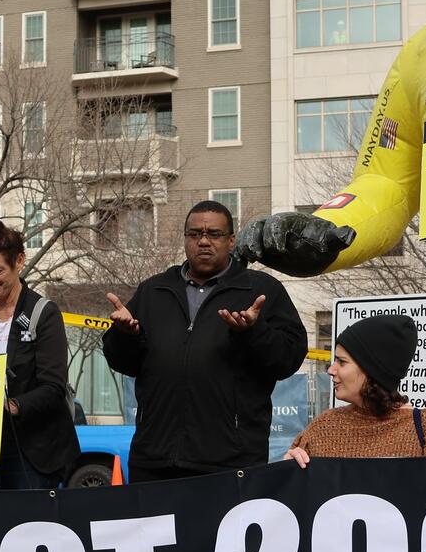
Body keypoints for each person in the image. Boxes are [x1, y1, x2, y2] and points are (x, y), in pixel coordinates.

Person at [104, 200, 308, 481]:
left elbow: (288, 360)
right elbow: (122, 362)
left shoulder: (260, 290)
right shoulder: (154, 291)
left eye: (214, 234)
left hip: (231, 463)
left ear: (231, 240)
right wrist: (125, 335)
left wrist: (254, 332)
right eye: (194, 234)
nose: (203, 241)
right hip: (155, 460)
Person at [0, 221, 80, 489]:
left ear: (19, 262)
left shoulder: (43, 312)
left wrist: (10, 406)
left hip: (32, 452)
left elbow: (53, 386)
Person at [284, 314, 426, 467]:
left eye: (342, 361)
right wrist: (287, 469)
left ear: (371, 370)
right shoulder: (323, 426)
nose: (331, 370)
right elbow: (288, 498)